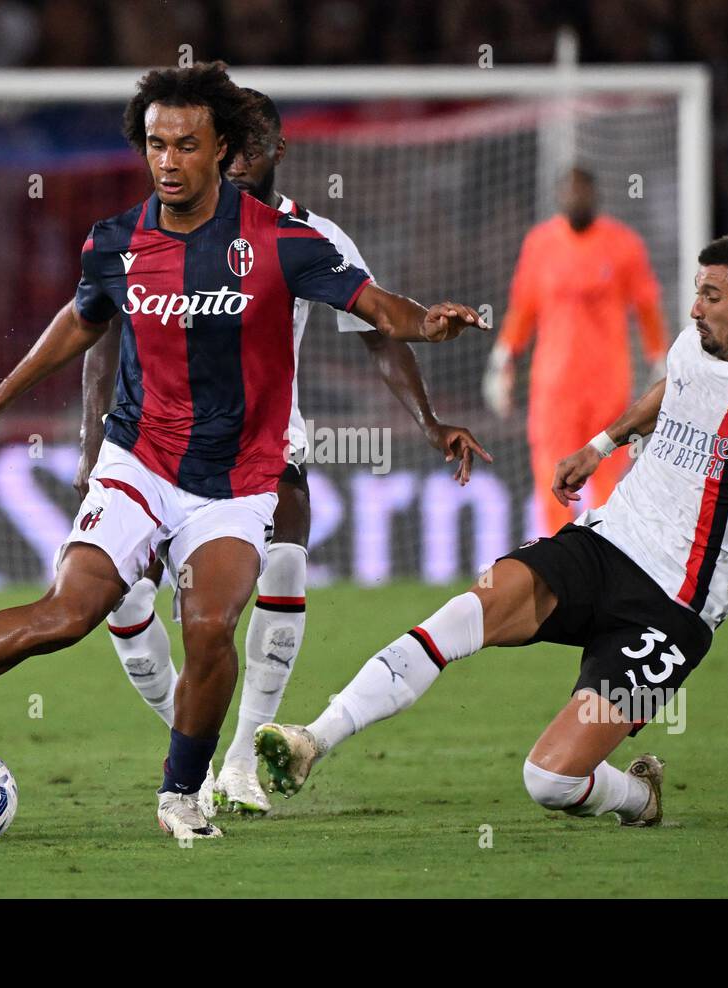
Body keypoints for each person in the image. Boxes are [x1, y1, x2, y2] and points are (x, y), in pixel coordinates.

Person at [0, 61, 488, 841]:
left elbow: (372, 308)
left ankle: (179, 793)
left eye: (185, 144)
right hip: (141, 461)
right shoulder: (117, 241)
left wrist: (425, 324)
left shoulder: (285, 242)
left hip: (235, 479)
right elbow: (83, 322)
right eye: (156, 144)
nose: (168, 160)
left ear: (221, 148)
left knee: (208, 627)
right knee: (66, 615)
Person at [256, 234, 728, 828]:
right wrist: (601, 445)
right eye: (697, 290)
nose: (694, 305)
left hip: (672, 607)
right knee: (466, 612)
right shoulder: (694, 344)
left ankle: (640, 796)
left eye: (712, 295)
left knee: (549, 780)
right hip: (605, 545)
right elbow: (674, 388)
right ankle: (315, 738)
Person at [75, 89, 491, 817]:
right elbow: (99, 331)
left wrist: (428, 422)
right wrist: (89, 449)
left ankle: (236, 762)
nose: (235, 159)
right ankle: (190, 748)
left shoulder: (307, 233)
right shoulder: (157, 231)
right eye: (228, 145)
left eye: (250, 147)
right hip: (148, 444)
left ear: (274, 152)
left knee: (288, 561)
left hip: (261, 444)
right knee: (126, 601)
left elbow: (378, 330)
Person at [483, 167, 670, 536]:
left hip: (608, 387)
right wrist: (502, 358)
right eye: (569, 192)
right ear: (558, 197)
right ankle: (561, 568)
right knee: (552, 480)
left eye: (582, 192)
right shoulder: (540, 244)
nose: (575, 199)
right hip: (553, 389)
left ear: (595, 197)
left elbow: (647, 305)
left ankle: (608, 560)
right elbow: (523, 309)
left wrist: (658, 359)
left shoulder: (623, 244)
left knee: (607, 482)